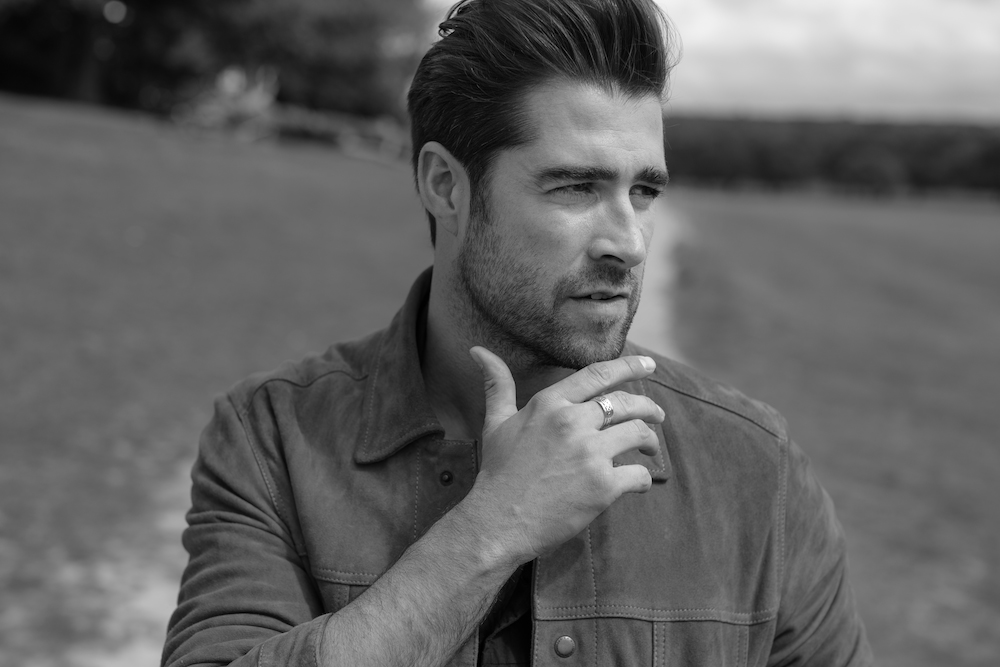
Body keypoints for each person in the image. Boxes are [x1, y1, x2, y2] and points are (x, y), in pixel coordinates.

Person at [162, 0, 873, 665]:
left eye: (643, 191)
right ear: (446, 186)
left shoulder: (756, 471)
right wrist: (492, 529)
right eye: (575, 187)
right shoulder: (273, 440)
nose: (628, 243)